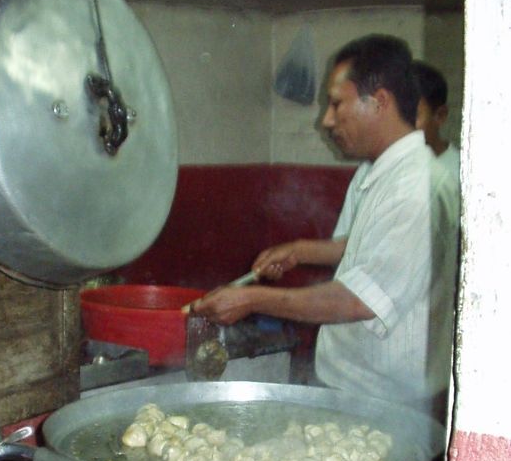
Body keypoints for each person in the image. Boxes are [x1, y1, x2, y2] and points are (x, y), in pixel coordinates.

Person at [192, 34, 460, 415]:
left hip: (384, 403)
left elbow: (359, 299)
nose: (327, 120)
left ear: (379, 102)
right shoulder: (390, 172)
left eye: (336, 104)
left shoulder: (414, 189)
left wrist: (250, 299)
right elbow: (374, 249)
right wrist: (302, 251)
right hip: (362, 388)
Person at [413, 59, 460, 183]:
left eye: (413, 115)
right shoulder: (373, 170)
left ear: (440, 115)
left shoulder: (461, 177)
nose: (401, 126)